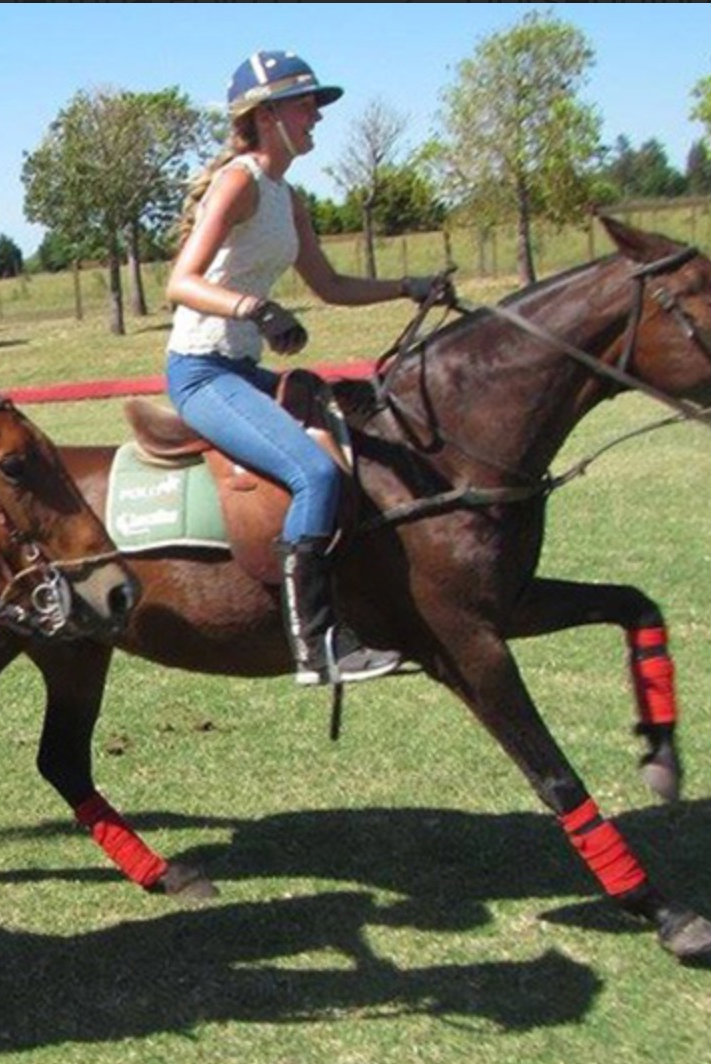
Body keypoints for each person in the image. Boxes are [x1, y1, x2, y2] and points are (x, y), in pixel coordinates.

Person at [165, 51, 450, 687]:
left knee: (356, 438)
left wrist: (410, 286)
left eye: (316, 103)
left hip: (241, 368)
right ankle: (316, 645)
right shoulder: (236, 182)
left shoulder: (287, 198)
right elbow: (179, 281)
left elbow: (329, 285)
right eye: (304, 103)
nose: (316, 113)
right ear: (266, 116)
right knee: (315, 474)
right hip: (202, 372)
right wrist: (256, 308)